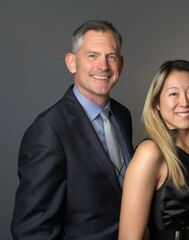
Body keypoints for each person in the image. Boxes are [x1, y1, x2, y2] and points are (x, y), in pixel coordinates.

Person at [11, 20, 133, 239]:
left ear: (121, 64)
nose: (103, 66)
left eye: (111, 57)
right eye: (92, 56)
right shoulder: (48, 131)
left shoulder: (123, 116)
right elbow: (32, 230)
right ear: (72, 63)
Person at [118, 60, 189, 240]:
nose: (184, 102)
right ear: (157, 104)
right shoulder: (150, 152)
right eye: (173, 94)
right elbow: (129, 237)